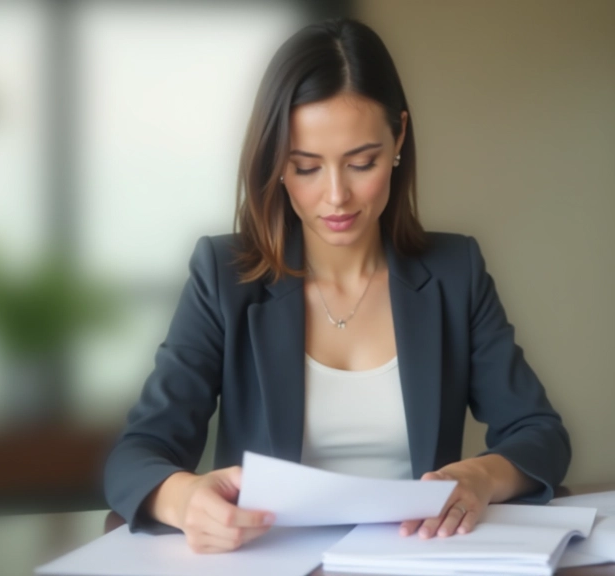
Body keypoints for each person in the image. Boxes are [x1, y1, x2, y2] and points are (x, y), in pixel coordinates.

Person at [103, 16, 571, 554]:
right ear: (276, 162)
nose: (336, 197)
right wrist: (184, 500)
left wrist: (482, 478)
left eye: (361, 163)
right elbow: (135, 456)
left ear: (399, 137)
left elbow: (541, 436)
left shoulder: (454, 271)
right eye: (305, 168)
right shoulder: (224, 275)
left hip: (418, 560)